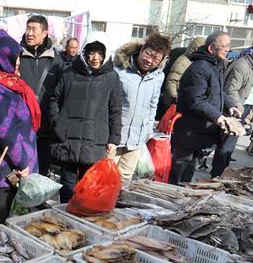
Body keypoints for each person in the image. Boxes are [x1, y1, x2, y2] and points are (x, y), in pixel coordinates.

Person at [0, 29, 40, 223]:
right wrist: (23, 164)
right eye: (14, 58)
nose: (18, 63)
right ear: (1, 58)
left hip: (9, 163)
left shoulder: (3, 81)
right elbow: (6, 133)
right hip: (3, 167)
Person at [48, 37, 121, 203]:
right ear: (84, 53)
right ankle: (65, 221)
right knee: (67, 188)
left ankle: (82, 221)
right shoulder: (69, 73)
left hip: (94, 141)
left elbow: (115, 110)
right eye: (91, 52)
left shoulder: (112, 77)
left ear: (105, 54)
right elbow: (54, 99)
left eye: (100, 53)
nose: (95, 58)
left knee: (88, 187)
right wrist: (57, 123)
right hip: (68, 139)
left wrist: (114, 139)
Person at [170, 32, 241, 184]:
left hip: (199, 131)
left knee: (188, 172)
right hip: (190, 131)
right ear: (211, 48)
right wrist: (217, 116)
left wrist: (230, 105)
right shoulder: (200, 68)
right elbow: (195, 100)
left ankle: (181, 196)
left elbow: (217, 91)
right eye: (224, 46)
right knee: (180, 171)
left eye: (229, 45)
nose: (228, 49)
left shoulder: (214, 65)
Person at [112, 32, 171, 181]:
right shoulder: (119, 70)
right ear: (142, 49)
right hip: (114, 135)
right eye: (148, 54)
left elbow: (153, 105)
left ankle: (117, 204)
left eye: (155, 59)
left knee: (124, 177)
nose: (149, 61)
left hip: (137, 137)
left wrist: (147, 129)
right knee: (106, 175)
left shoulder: (158, 76)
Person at [18, 15, 57, 176]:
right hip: (22, 124)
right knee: (23, 169)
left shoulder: (56, 60)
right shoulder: (17, 56)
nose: (29, 33)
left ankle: (39, 200)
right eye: (28, 29)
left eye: (34, 29)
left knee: (42, 171)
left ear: (45, 33)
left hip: (46, 126)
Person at [160, 36, 205, 116]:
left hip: (181, 100)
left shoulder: (193, 61)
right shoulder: (183, 62)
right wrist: (175, 97)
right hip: (173, 101)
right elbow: (171, 81)